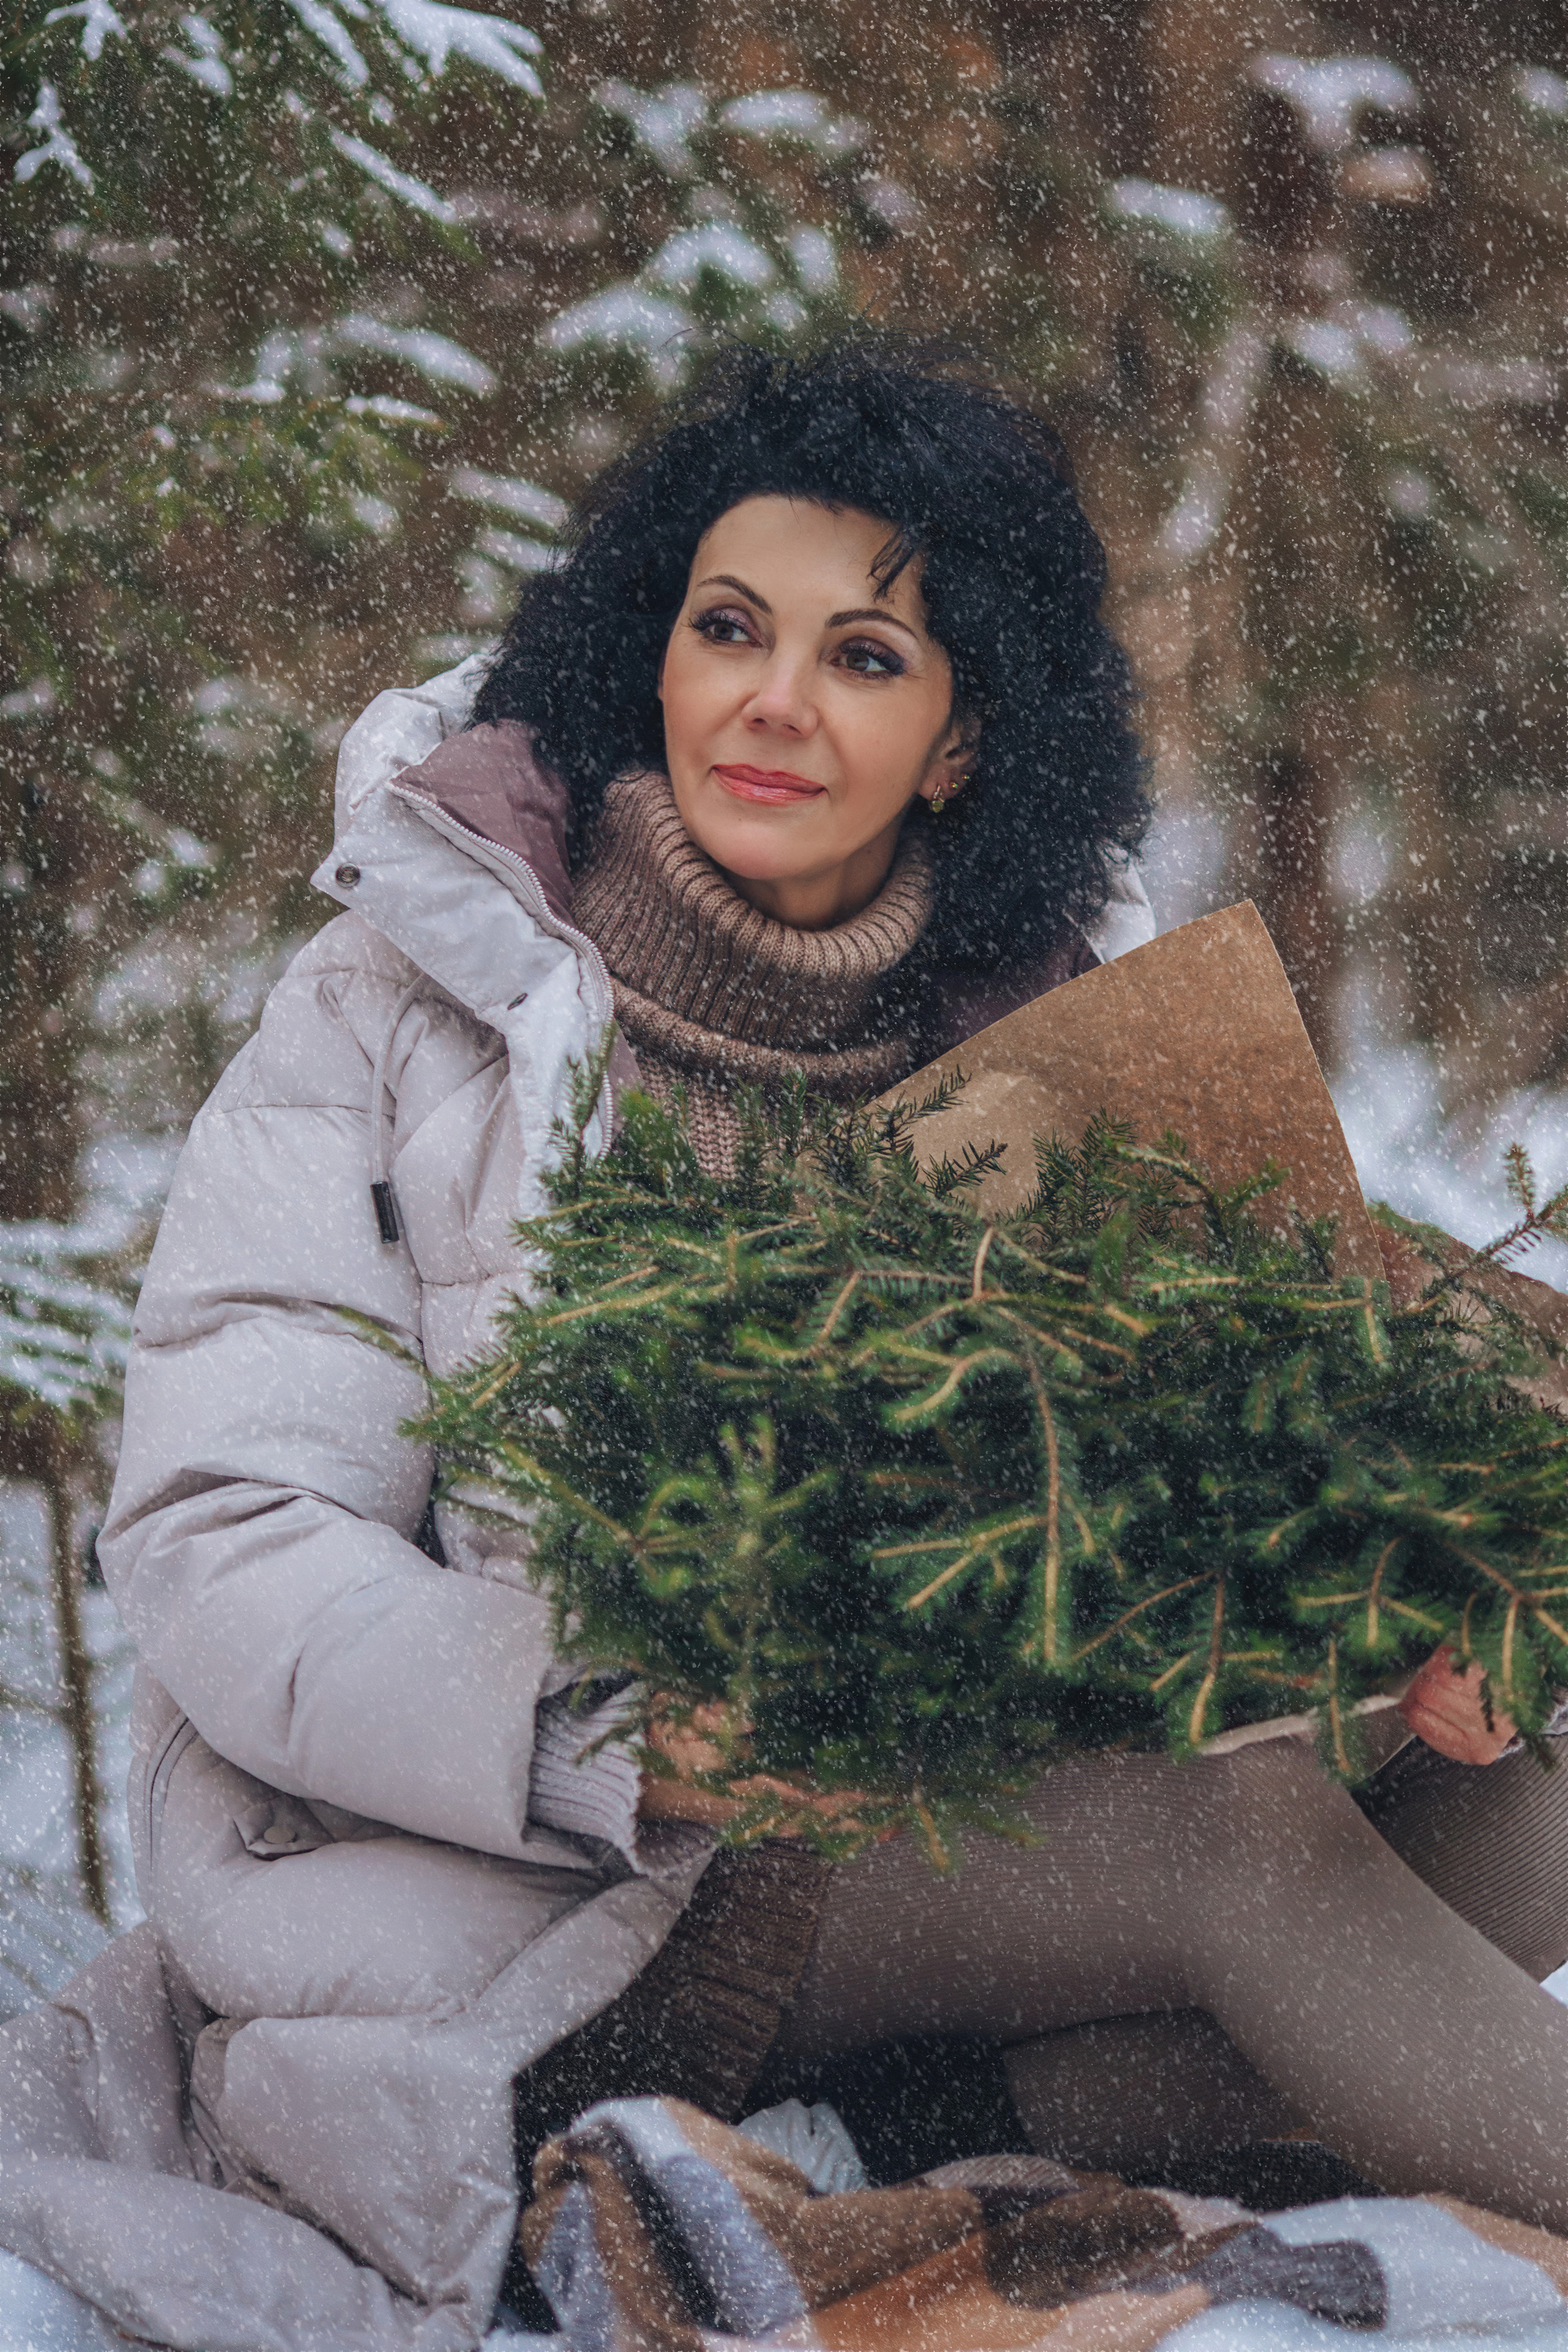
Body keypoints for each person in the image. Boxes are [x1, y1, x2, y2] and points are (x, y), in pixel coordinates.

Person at [4, 337, 1568, 2352]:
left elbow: (1205, 1488)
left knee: (1523, 1814)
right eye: (728, 624)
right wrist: (605, 1730)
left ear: (964, 744)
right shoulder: (399, 1010)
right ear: (645, 649)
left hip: (971, 1811)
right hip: (573, 1886)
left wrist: (1405, 1640)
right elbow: (225, 1529)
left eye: (866, 656)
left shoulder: (1053, 1044)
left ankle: (933, 2120)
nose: (771, 698)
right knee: (1231, 1834)